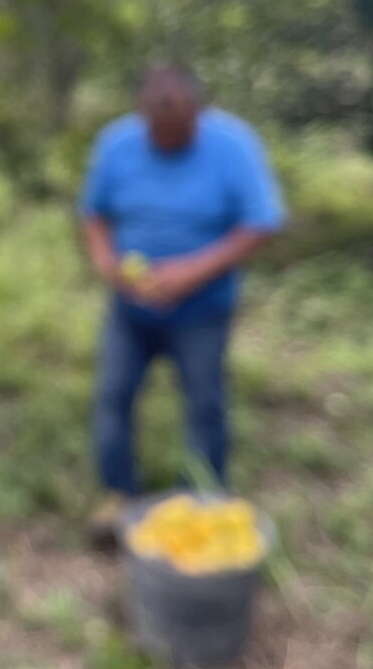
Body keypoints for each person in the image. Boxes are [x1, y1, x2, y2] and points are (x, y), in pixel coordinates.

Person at [78, 66, 285, 546]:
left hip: (202, 310)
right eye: (158, 131)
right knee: (113, 395)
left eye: (179, 132)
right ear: (142, 116)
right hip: (131, 310)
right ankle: (118, 494)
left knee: (205, 404)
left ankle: (202, 501)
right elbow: (94, 215)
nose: (167, 141)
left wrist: (191, 272)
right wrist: (108, 263)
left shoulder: (234, 146)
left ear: (199, 113)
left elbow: (261, 222)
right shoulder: (117, 144)